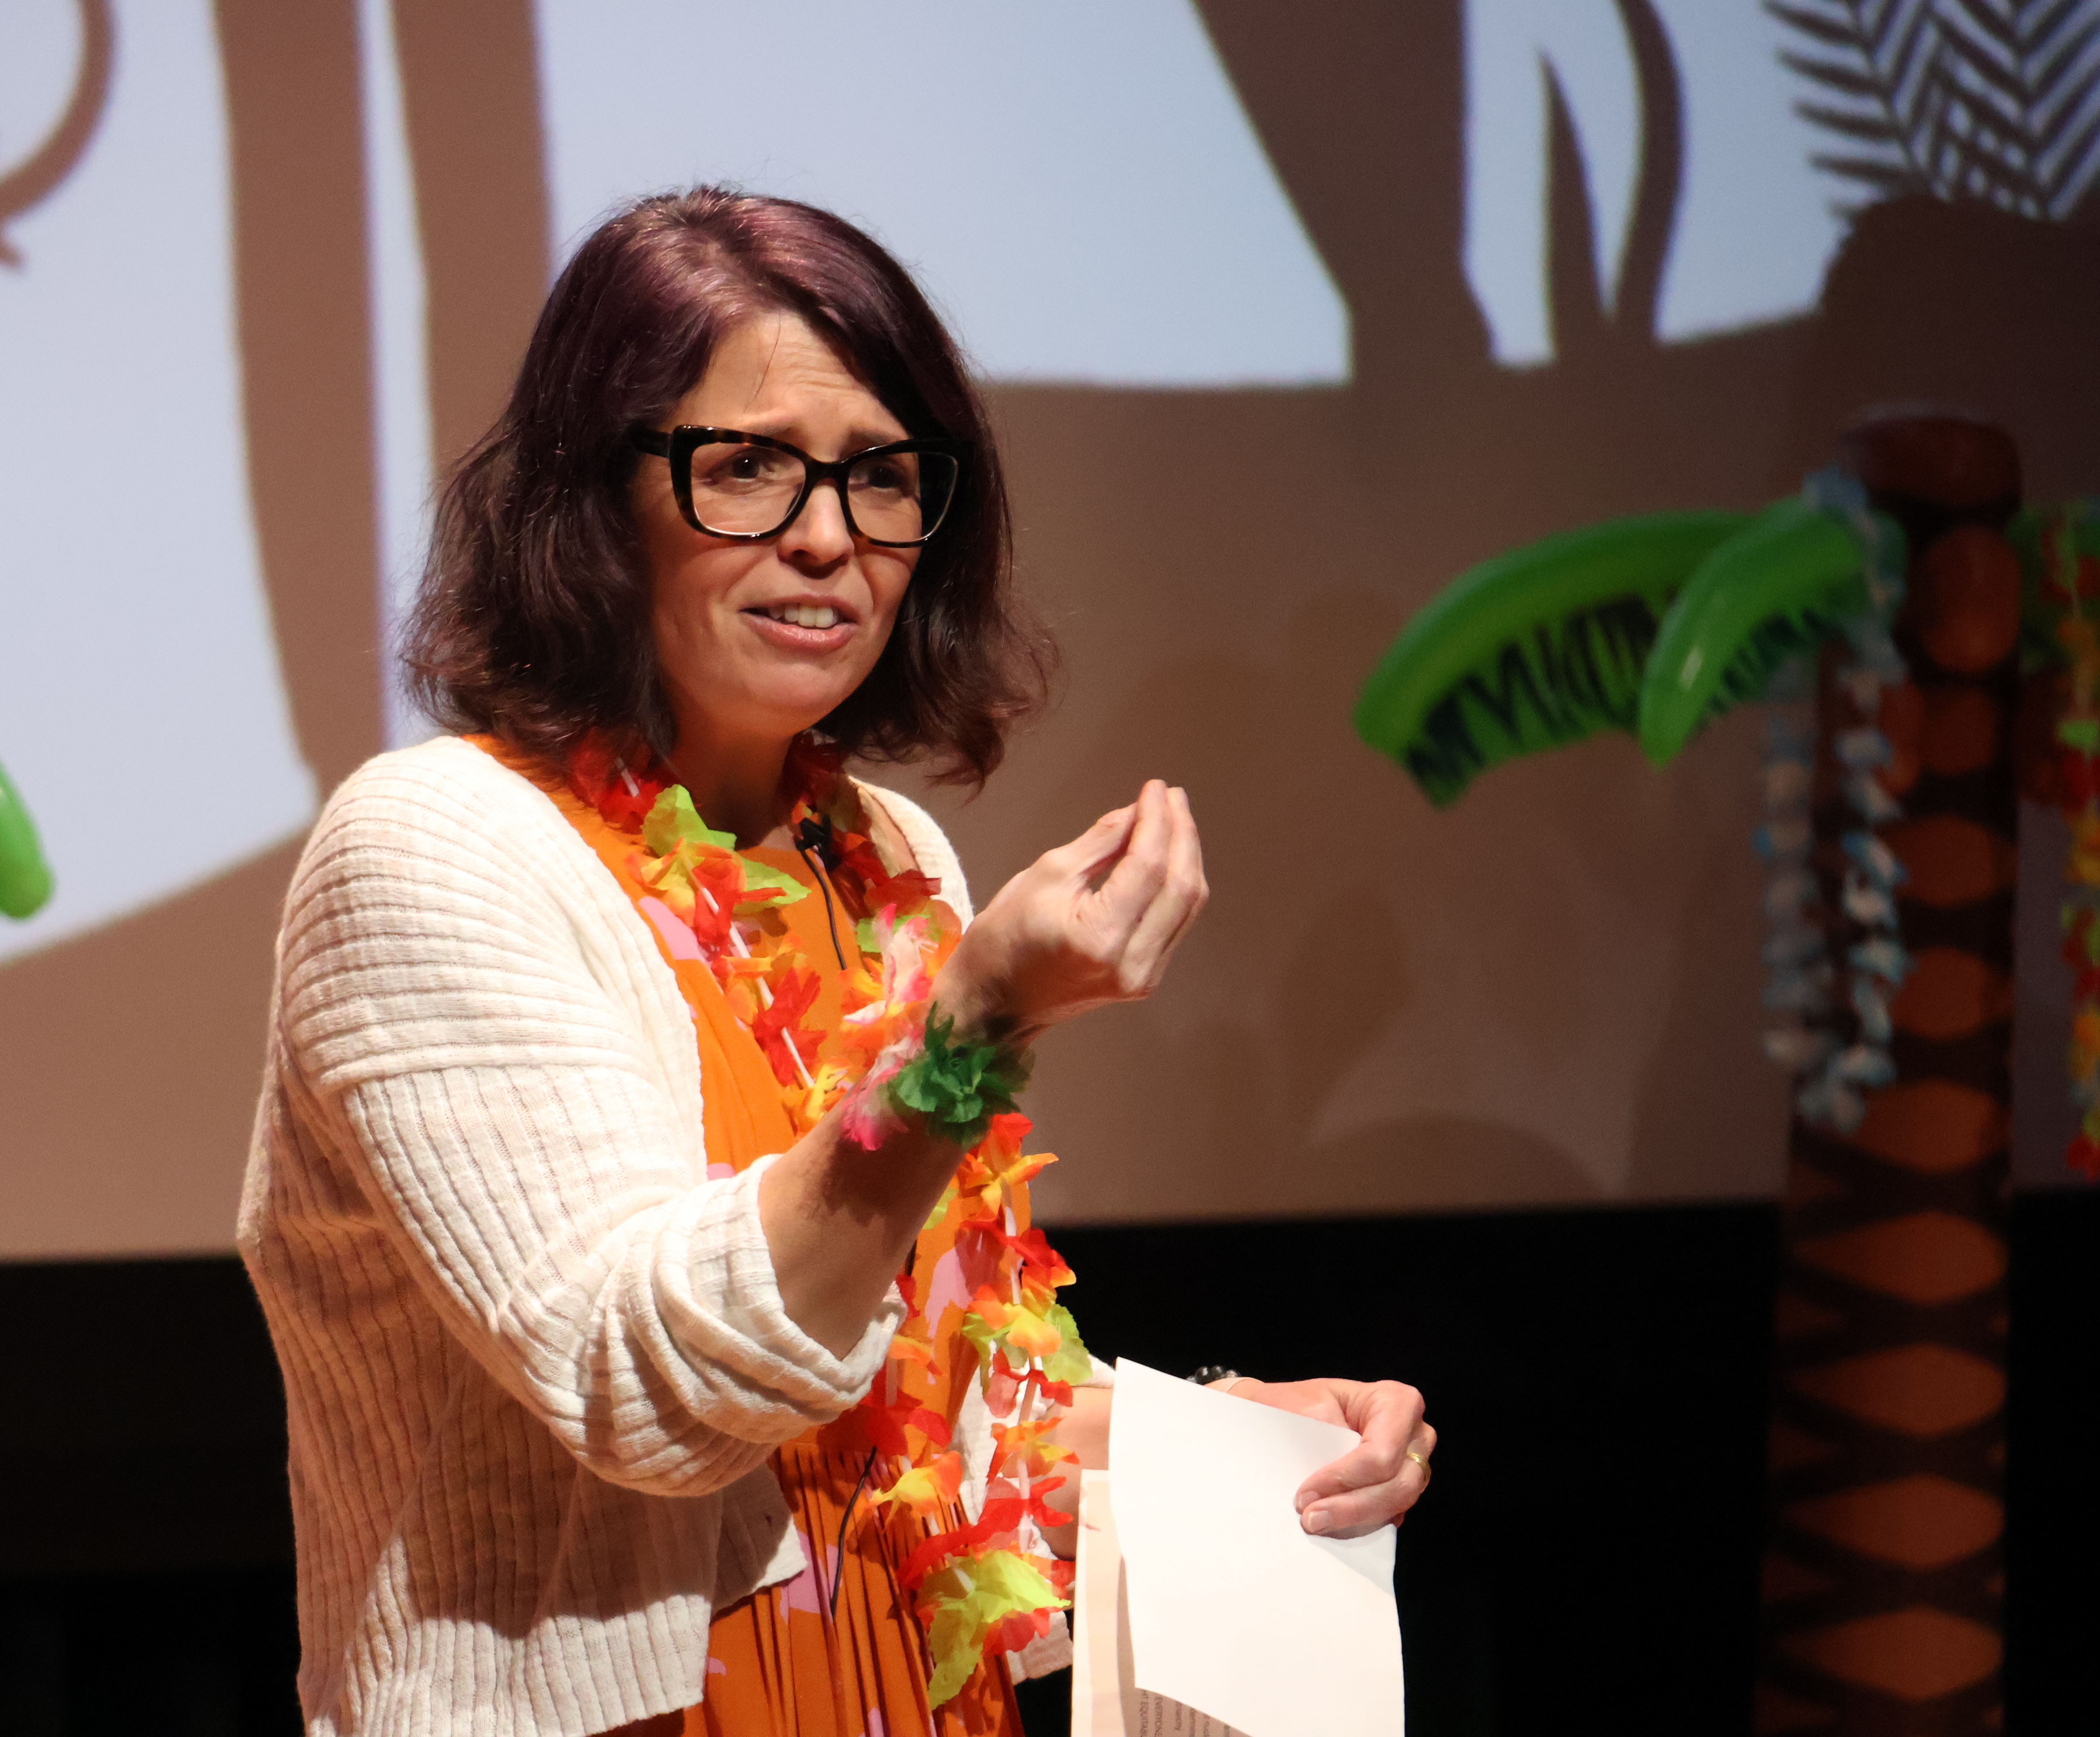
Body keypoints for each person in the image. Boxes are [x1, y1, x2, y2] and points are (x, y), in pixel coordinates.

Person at [238, 187, 1435, 1737]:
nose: (825, 536)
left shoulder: (881, 858)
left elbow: (916, 1431)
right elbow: (651, 1391)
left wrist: (1223, 1452)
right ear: (594, 501)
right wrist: (972, 1030)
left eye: (881, 478)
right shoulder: (437, 845)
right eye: (745, 467)